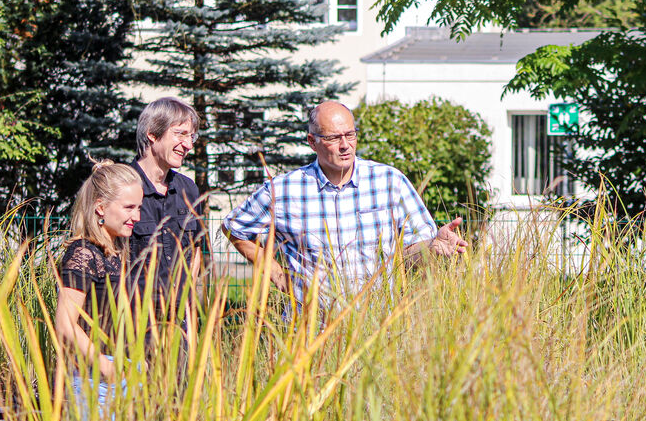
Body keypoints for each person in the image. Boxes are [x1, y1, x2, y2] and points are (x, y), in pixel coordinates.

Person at [222, 100, 468, 305]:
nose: (345, 145)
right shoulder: (285, 189)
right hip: (308, 333)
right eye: (333, 137)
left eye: (350, 135)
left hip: (376, 328)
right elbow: (234, 227)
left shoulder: (389, 181)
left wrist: (433, 246)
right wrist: (278, 276)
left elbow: (411, 252)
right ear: (312, 141)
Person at [56, 160, 143, 412]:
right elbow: (65, 324)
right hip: (96, 380)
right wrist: (107, 368)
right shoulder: (84, 253)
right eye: (128, 207)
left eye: (138, 207)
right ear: (101, 207)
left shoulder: (115, 253)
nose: (136, 217)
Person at [129, 97, 206, 309]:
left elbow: (195, 250)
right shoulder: (121, 187)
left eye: (192, 136)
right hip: (131, 321)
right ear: (152, 134)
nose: (189, 145)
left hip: (178, 322)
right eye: (180, 134)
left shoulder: (188, 189)